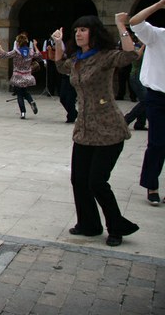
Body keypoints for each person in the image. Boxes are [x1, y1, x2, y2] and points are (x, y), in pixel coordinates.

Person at [52, 13, 139, 246]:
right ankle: (89, 224)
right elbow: (60, 66)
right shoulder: (77, 60)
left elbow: (130, 54)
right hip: (84, 128)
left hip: (108, 128)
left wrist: (121, 25)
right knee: (79, 179)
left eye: (83, 30)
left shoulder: (105, 56)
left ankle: (116, 227)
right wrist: (58, 43)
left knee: (97, 182)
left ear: (94, 33)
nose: (78, 34)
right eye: (76, 30)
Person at [129, 0, 165, 206]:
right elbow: (135, 22)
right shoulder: (157, 35)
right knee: (157, 143)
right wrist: (159, 4)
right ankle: (152, 185)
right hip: (158, 96)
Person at [0, 34, 40, 119]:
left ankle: (23, 112)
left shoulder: (16, 52)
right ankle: (31, 101)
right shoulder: (30, 51)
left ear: (18, 42)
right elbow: (39, 55)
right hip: (27, 76)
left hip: (18, 76)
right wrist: (35, 45)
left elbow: (5, 54)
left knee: (19, 94)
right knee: (25, 92)